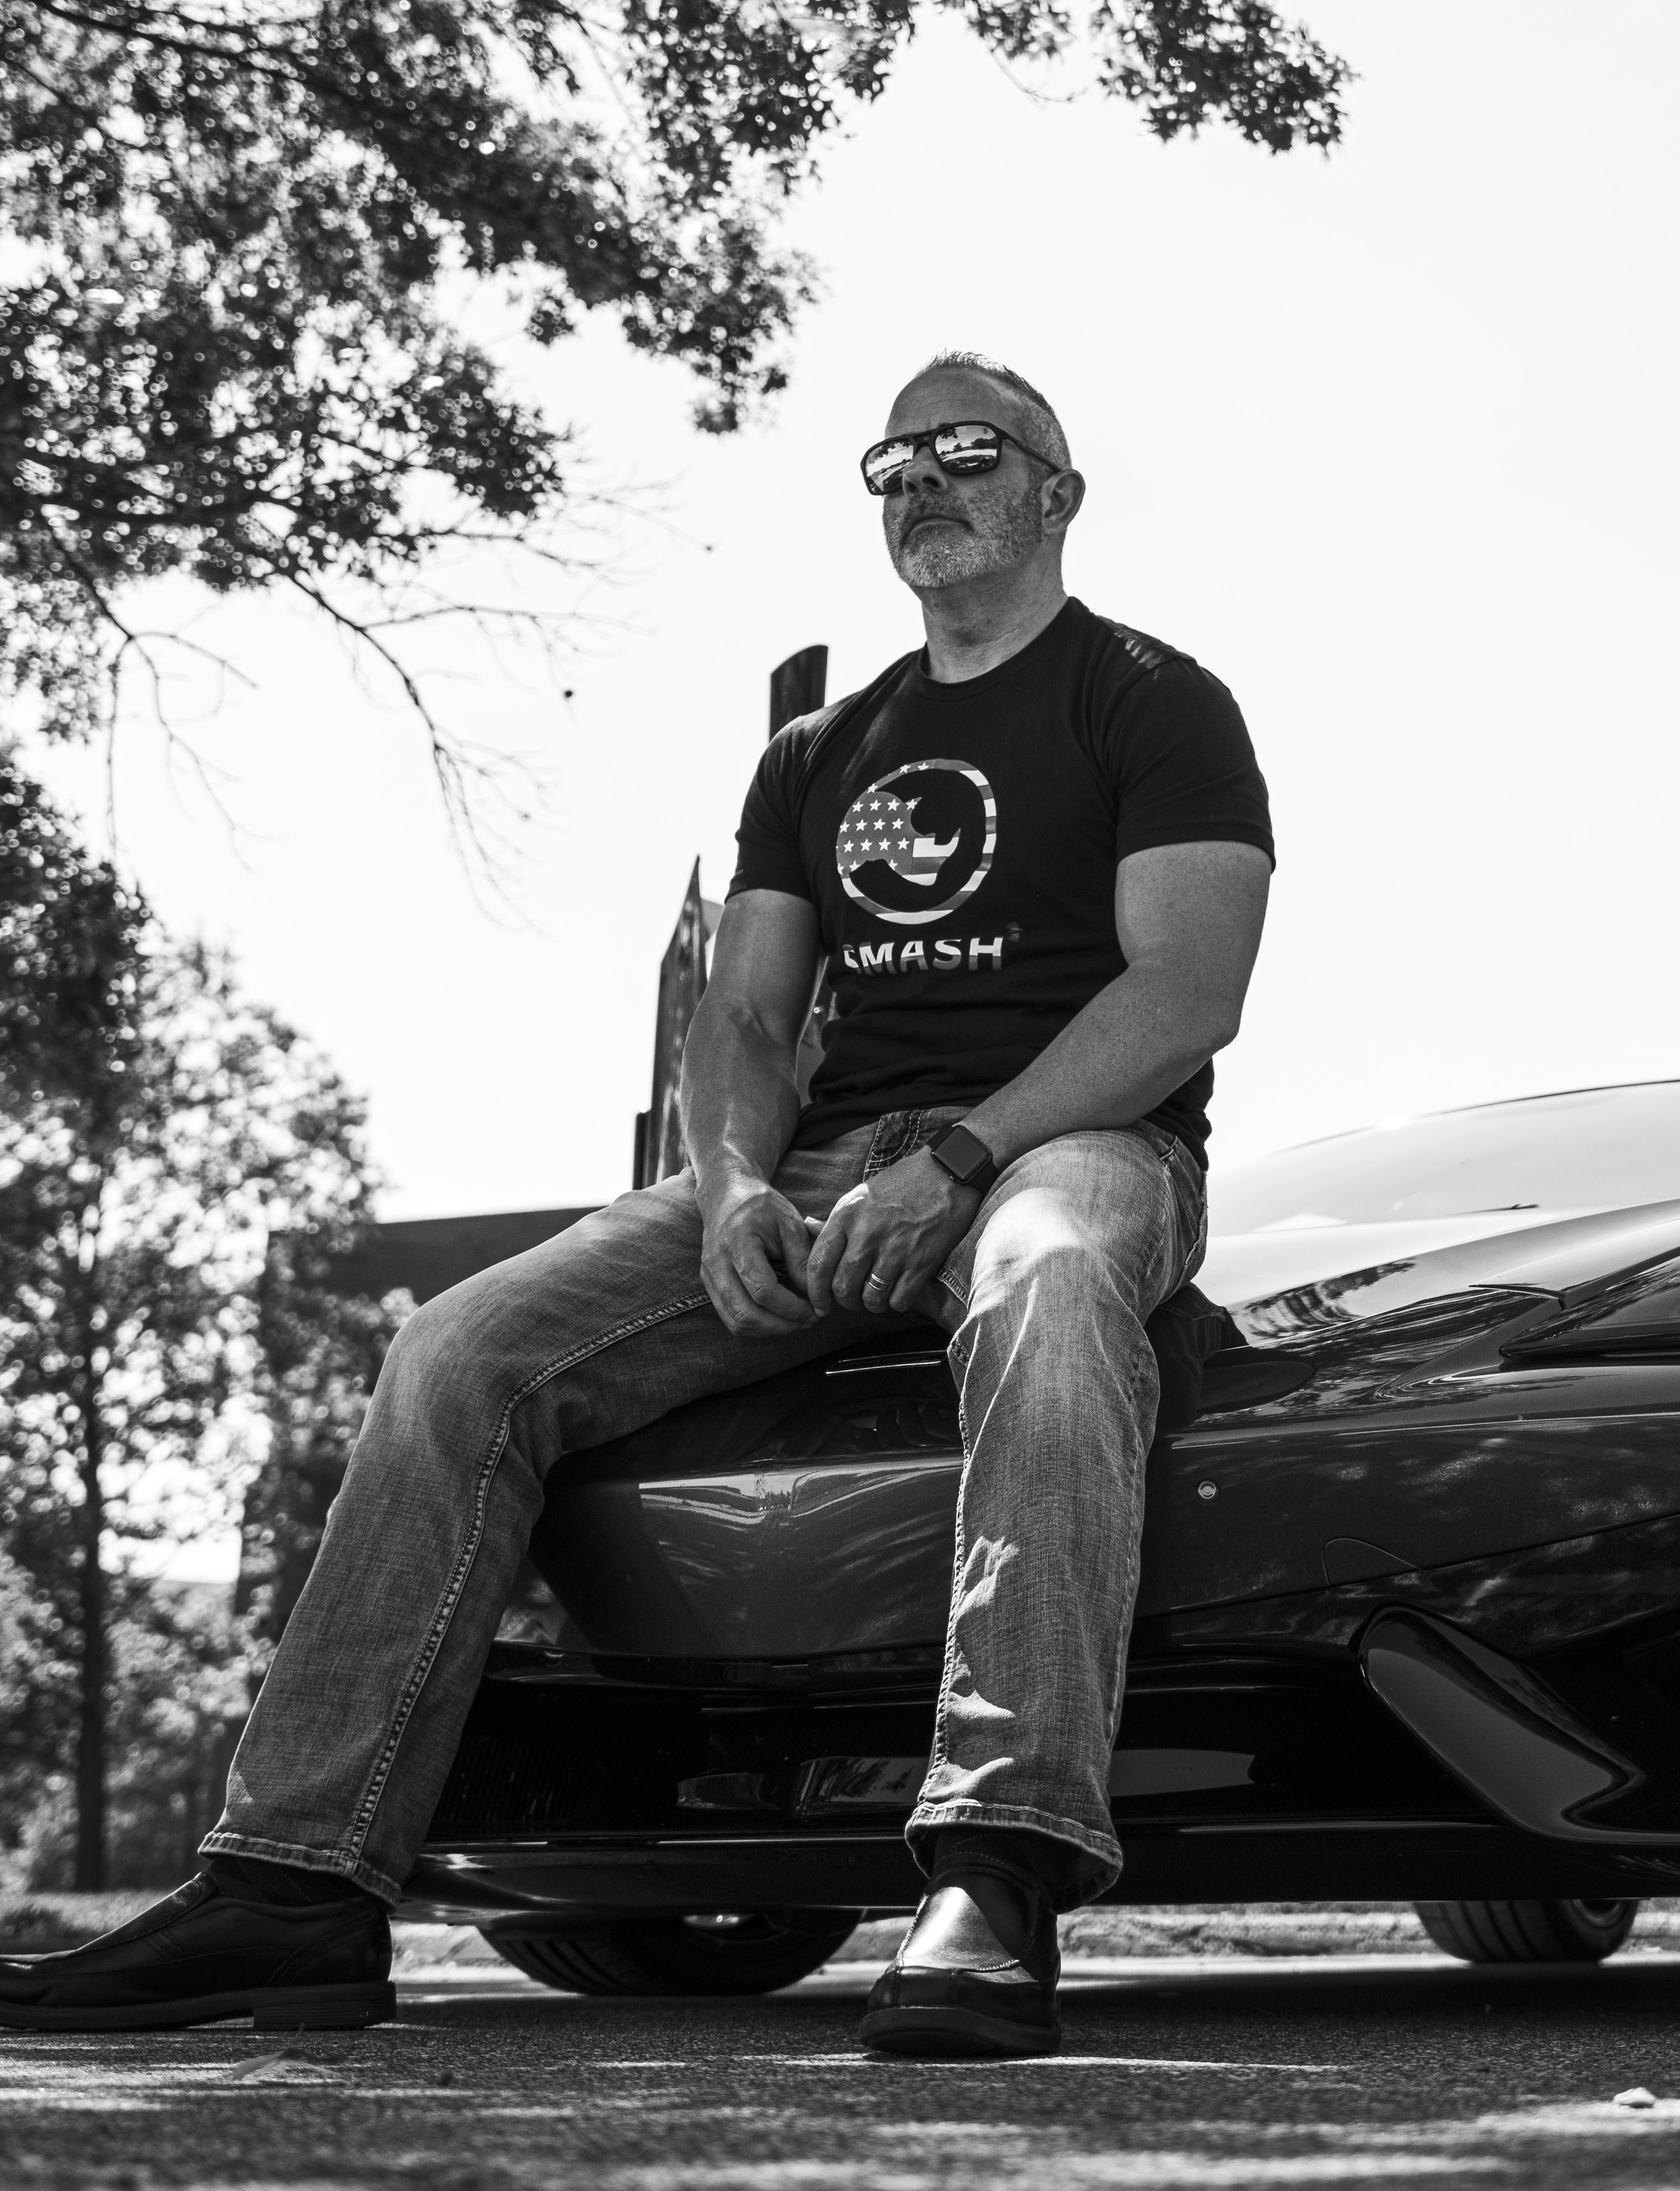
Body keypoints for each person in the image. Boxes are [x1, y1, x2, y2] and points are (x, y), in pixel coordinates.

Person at [0, 350, 1273, 2057]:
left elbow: (1184, 991)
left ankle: (999, 1865)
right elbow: (743, 1021)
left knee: (1045, 1289)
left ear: (1058, 492)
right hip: (818, 1164)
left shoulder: (1154, 699)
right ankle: (293, 1884)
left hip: (1072, 1149)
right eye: (891, 461)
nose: (922, 479)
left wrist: (963, 1158)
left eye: (968, 448)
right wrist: (735, 1188)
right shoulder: (821, 753)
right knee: (455, 1353)